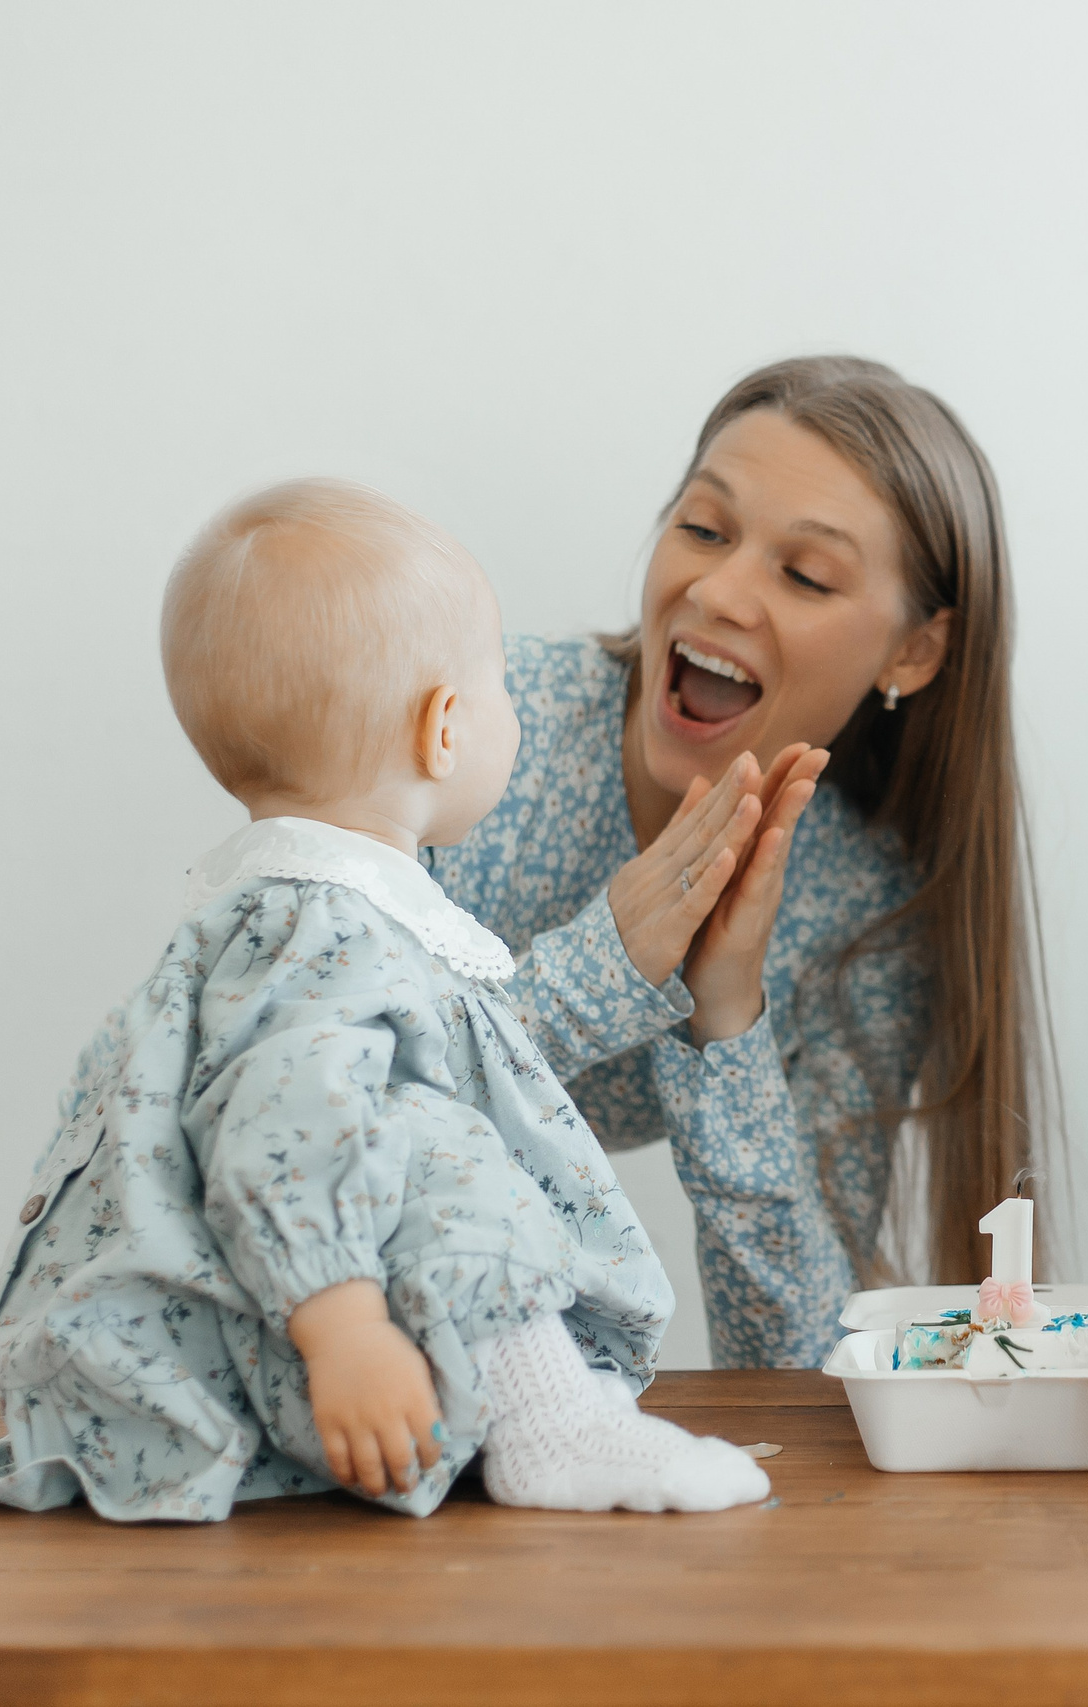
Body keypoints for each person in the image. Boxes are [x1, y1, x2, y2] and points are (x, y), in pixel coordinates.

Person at [0, 479, 769, 1520]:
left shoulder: (296, 916)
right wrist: (343, 1329)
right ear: (445, 729)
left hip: (228, 1324)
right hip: (276, 1334)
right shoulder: (328, 926)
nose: (514, 705)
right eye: (498, 681)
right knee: (434, 1132)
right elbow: (285, 1124)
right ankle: (551, 1419)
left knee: (413, 1110)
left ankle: (529, 1399)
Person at [425, 356, 1046, 1367]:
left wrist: (726, 1024)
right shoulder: (474, 734)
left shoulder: (869, 905)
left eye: (805, 575)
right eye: (704, 529)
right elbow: (322, 1114)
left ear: (914, 654)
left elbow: (796, 1361)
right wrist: (607, 964)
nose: (715, 590)